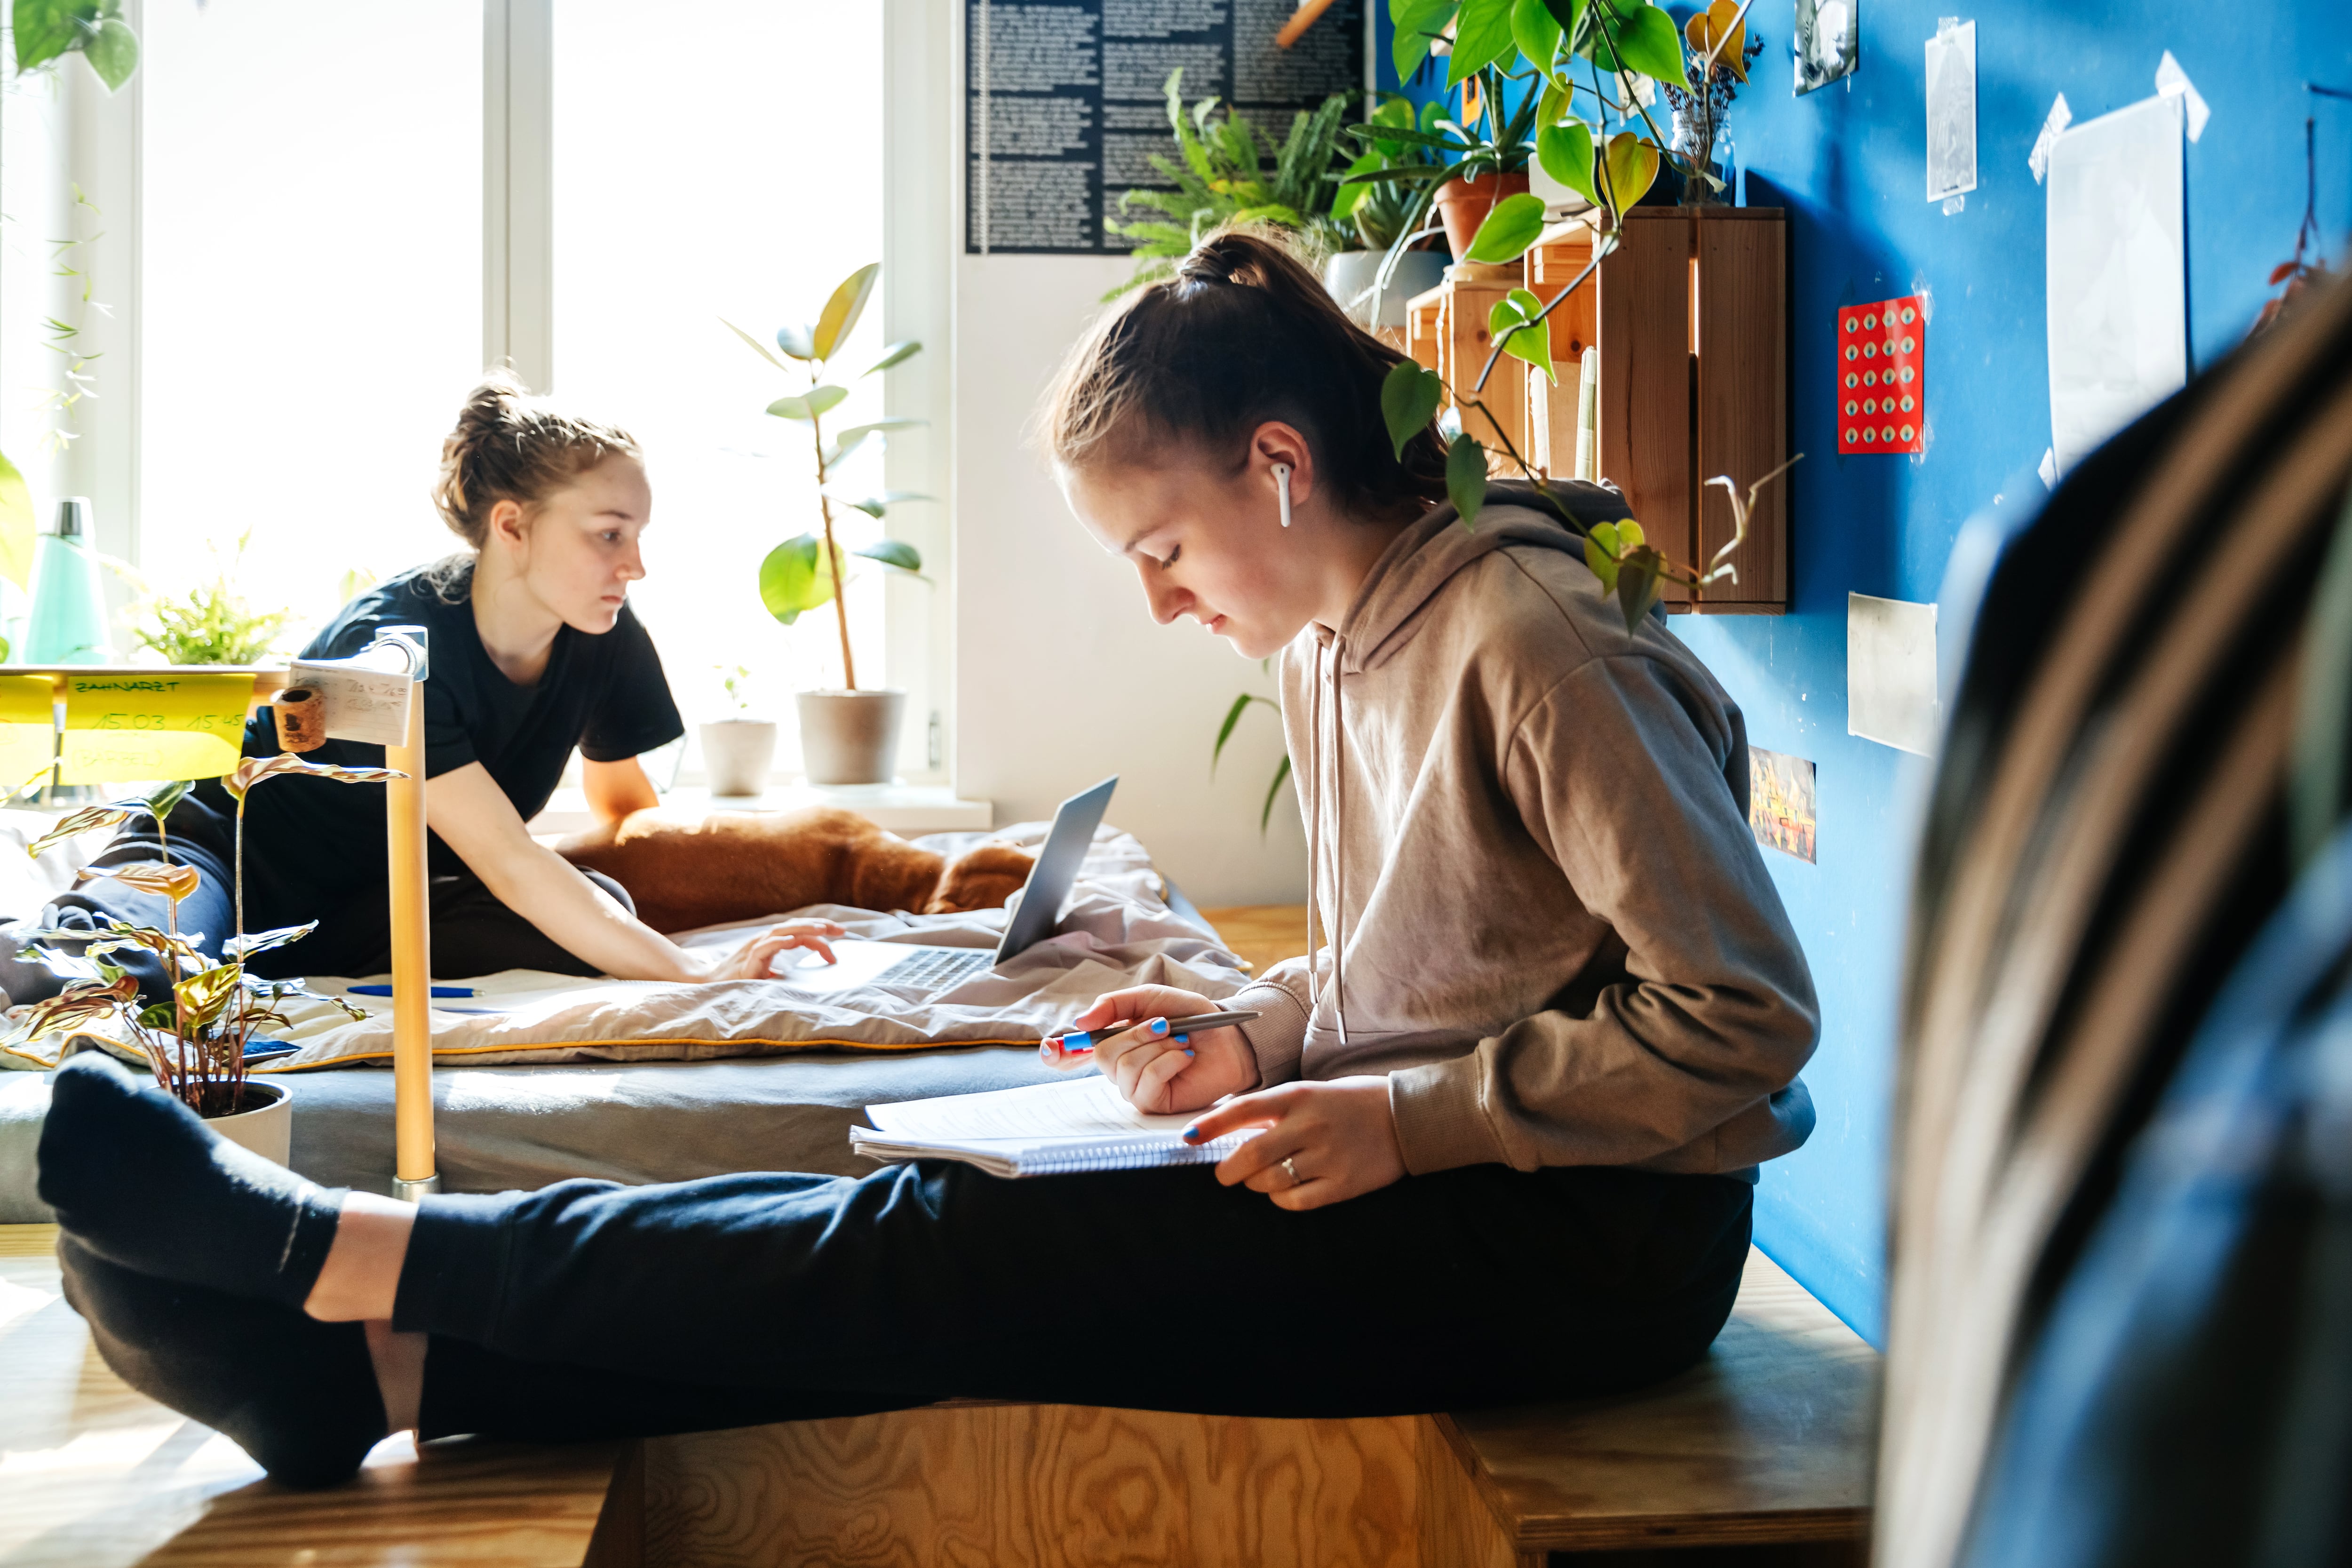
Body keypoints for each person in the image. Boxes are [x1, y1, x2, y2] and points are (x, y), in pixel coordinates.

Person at [34, 230, 1819, 1488]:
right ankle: (374, 1361)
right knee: (925, 1231)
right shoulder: (1344, 643)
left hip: (1598, 1241)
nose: (1161, 596)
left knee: (945, 1243)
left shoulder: (1529, 640)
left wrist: (1404, 1117)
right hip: (1466, 1179)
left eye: (1165, 544)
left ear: (1279, 466)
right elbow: (1434, 963)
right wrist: (1272, 1031)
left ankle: (373, 1263)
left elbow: (1743, 1018)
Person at [0, 372, 841, 999]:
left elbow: (624, 810)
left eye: (639, 534)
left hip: (367, 903)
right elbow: (509, 859)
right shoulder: (394, 646)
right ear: (512, 525)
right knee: (125, 970)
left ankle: (273, 970)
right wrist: (701, 974)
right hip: (219, 858)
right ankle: (54, 940)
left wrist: (694, 915)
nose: (636, 564)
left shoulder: (603, 633)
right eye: (610, 533)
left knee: (601, 906)